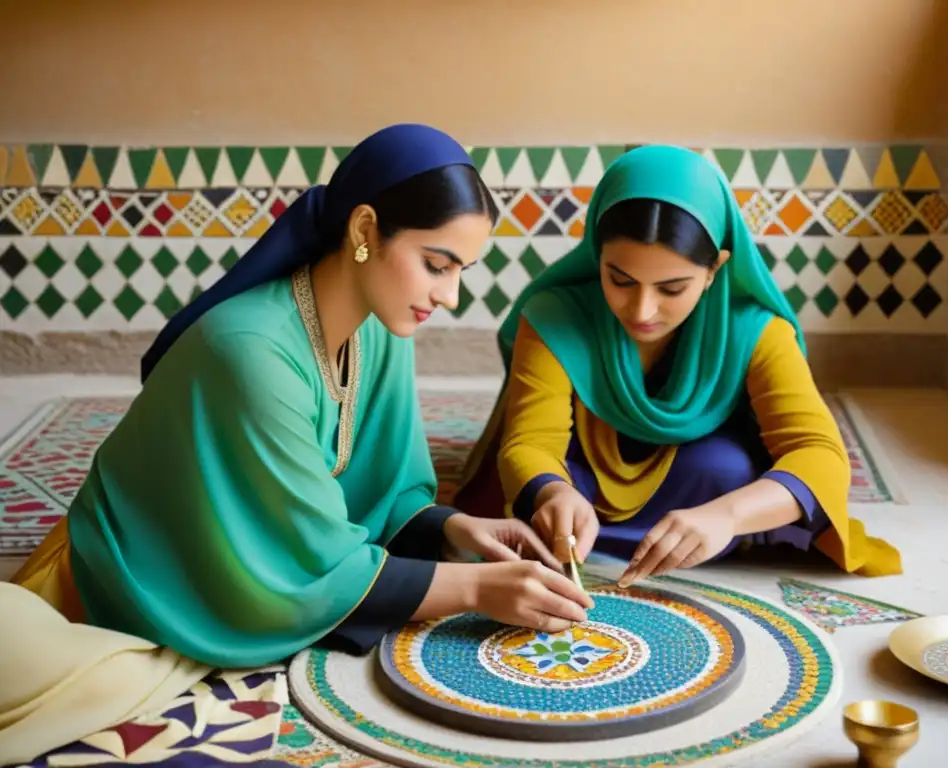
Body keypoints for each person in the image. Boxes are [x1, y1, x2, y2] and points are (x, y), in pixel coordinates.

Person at [0, 124, 591, 763]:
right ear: (364, 231)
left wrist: (453, 530)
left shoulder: (381, 330)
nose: (448, 296)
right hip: (133, 580)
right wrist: (478, 590)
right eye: (435, 265)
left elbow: (384, 487)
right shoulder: (250, 353)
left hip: (243, 556)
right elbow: (307, 570)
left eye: (460, 272)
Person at [454, 145, 902, 583]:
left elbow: (821, 456)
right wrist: (554, 492)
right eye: (620, 279)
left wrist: (727, 515)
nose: (642, 310)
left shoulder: (755, 331)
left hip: (698, 495)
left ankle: (704, 533)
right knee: (541, 484)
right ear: (597, 254)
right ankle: (583, 524)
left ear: (715, 269)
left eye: (671, 288)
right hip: (581, 488)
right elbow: (531, 442)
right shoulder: (555, 315)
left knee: (724, 470)